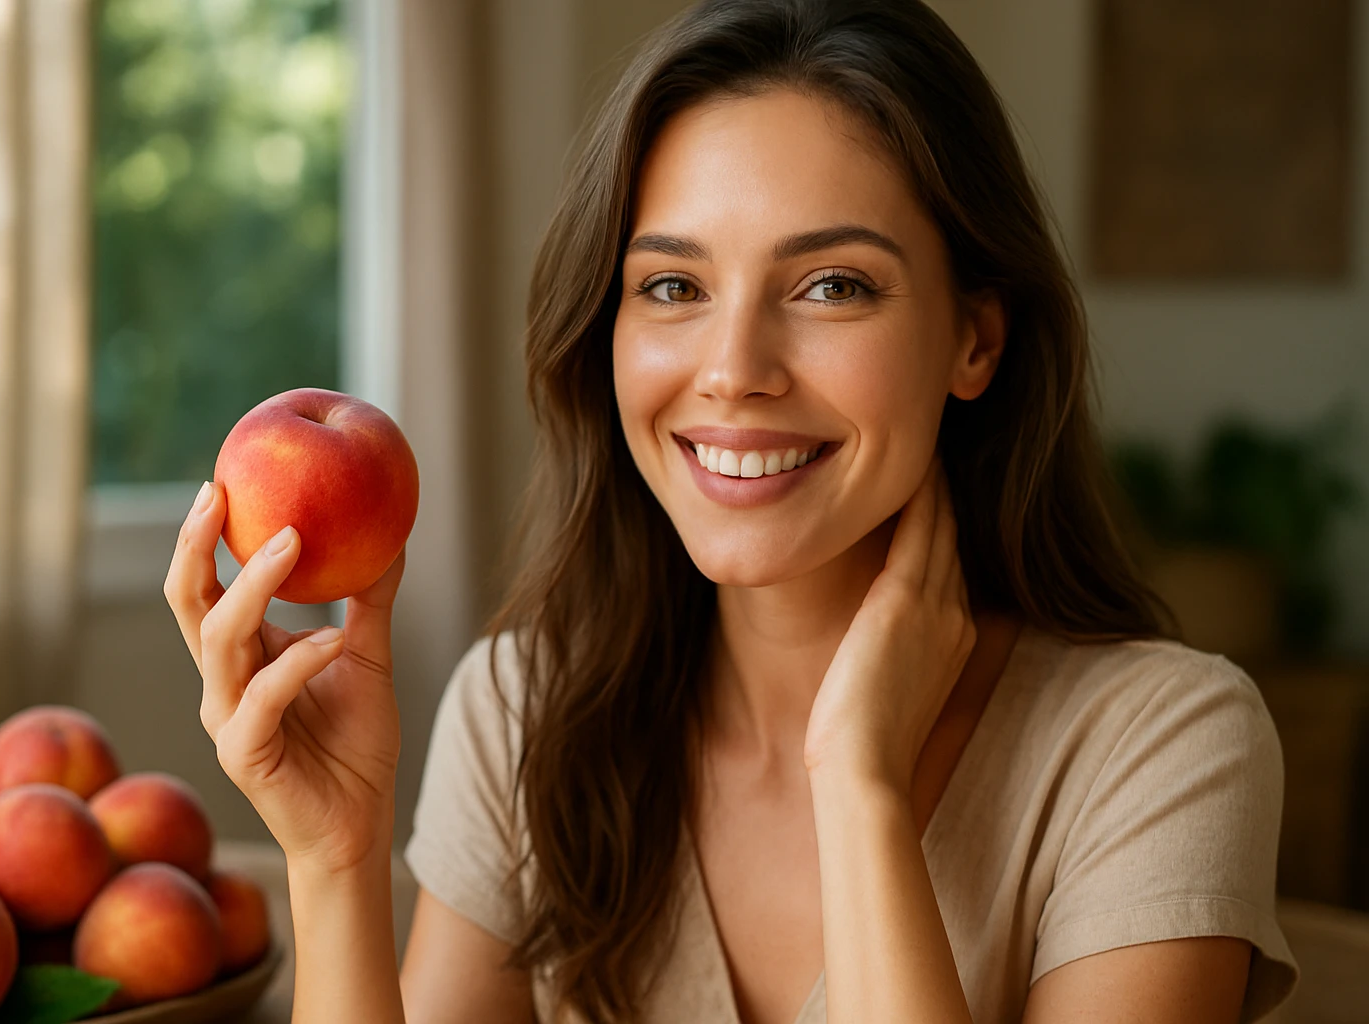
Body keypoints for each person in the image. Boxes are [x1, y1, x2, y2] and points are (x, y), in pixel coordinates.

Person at [164, 1, 1301, 1020]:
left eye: (832, 286)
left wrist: (860, 781)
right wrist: (335, 859)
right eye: (674, 286)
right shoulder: (523, 713)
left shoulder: (1164, 746)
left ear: (975, 339)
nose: (734, 370)